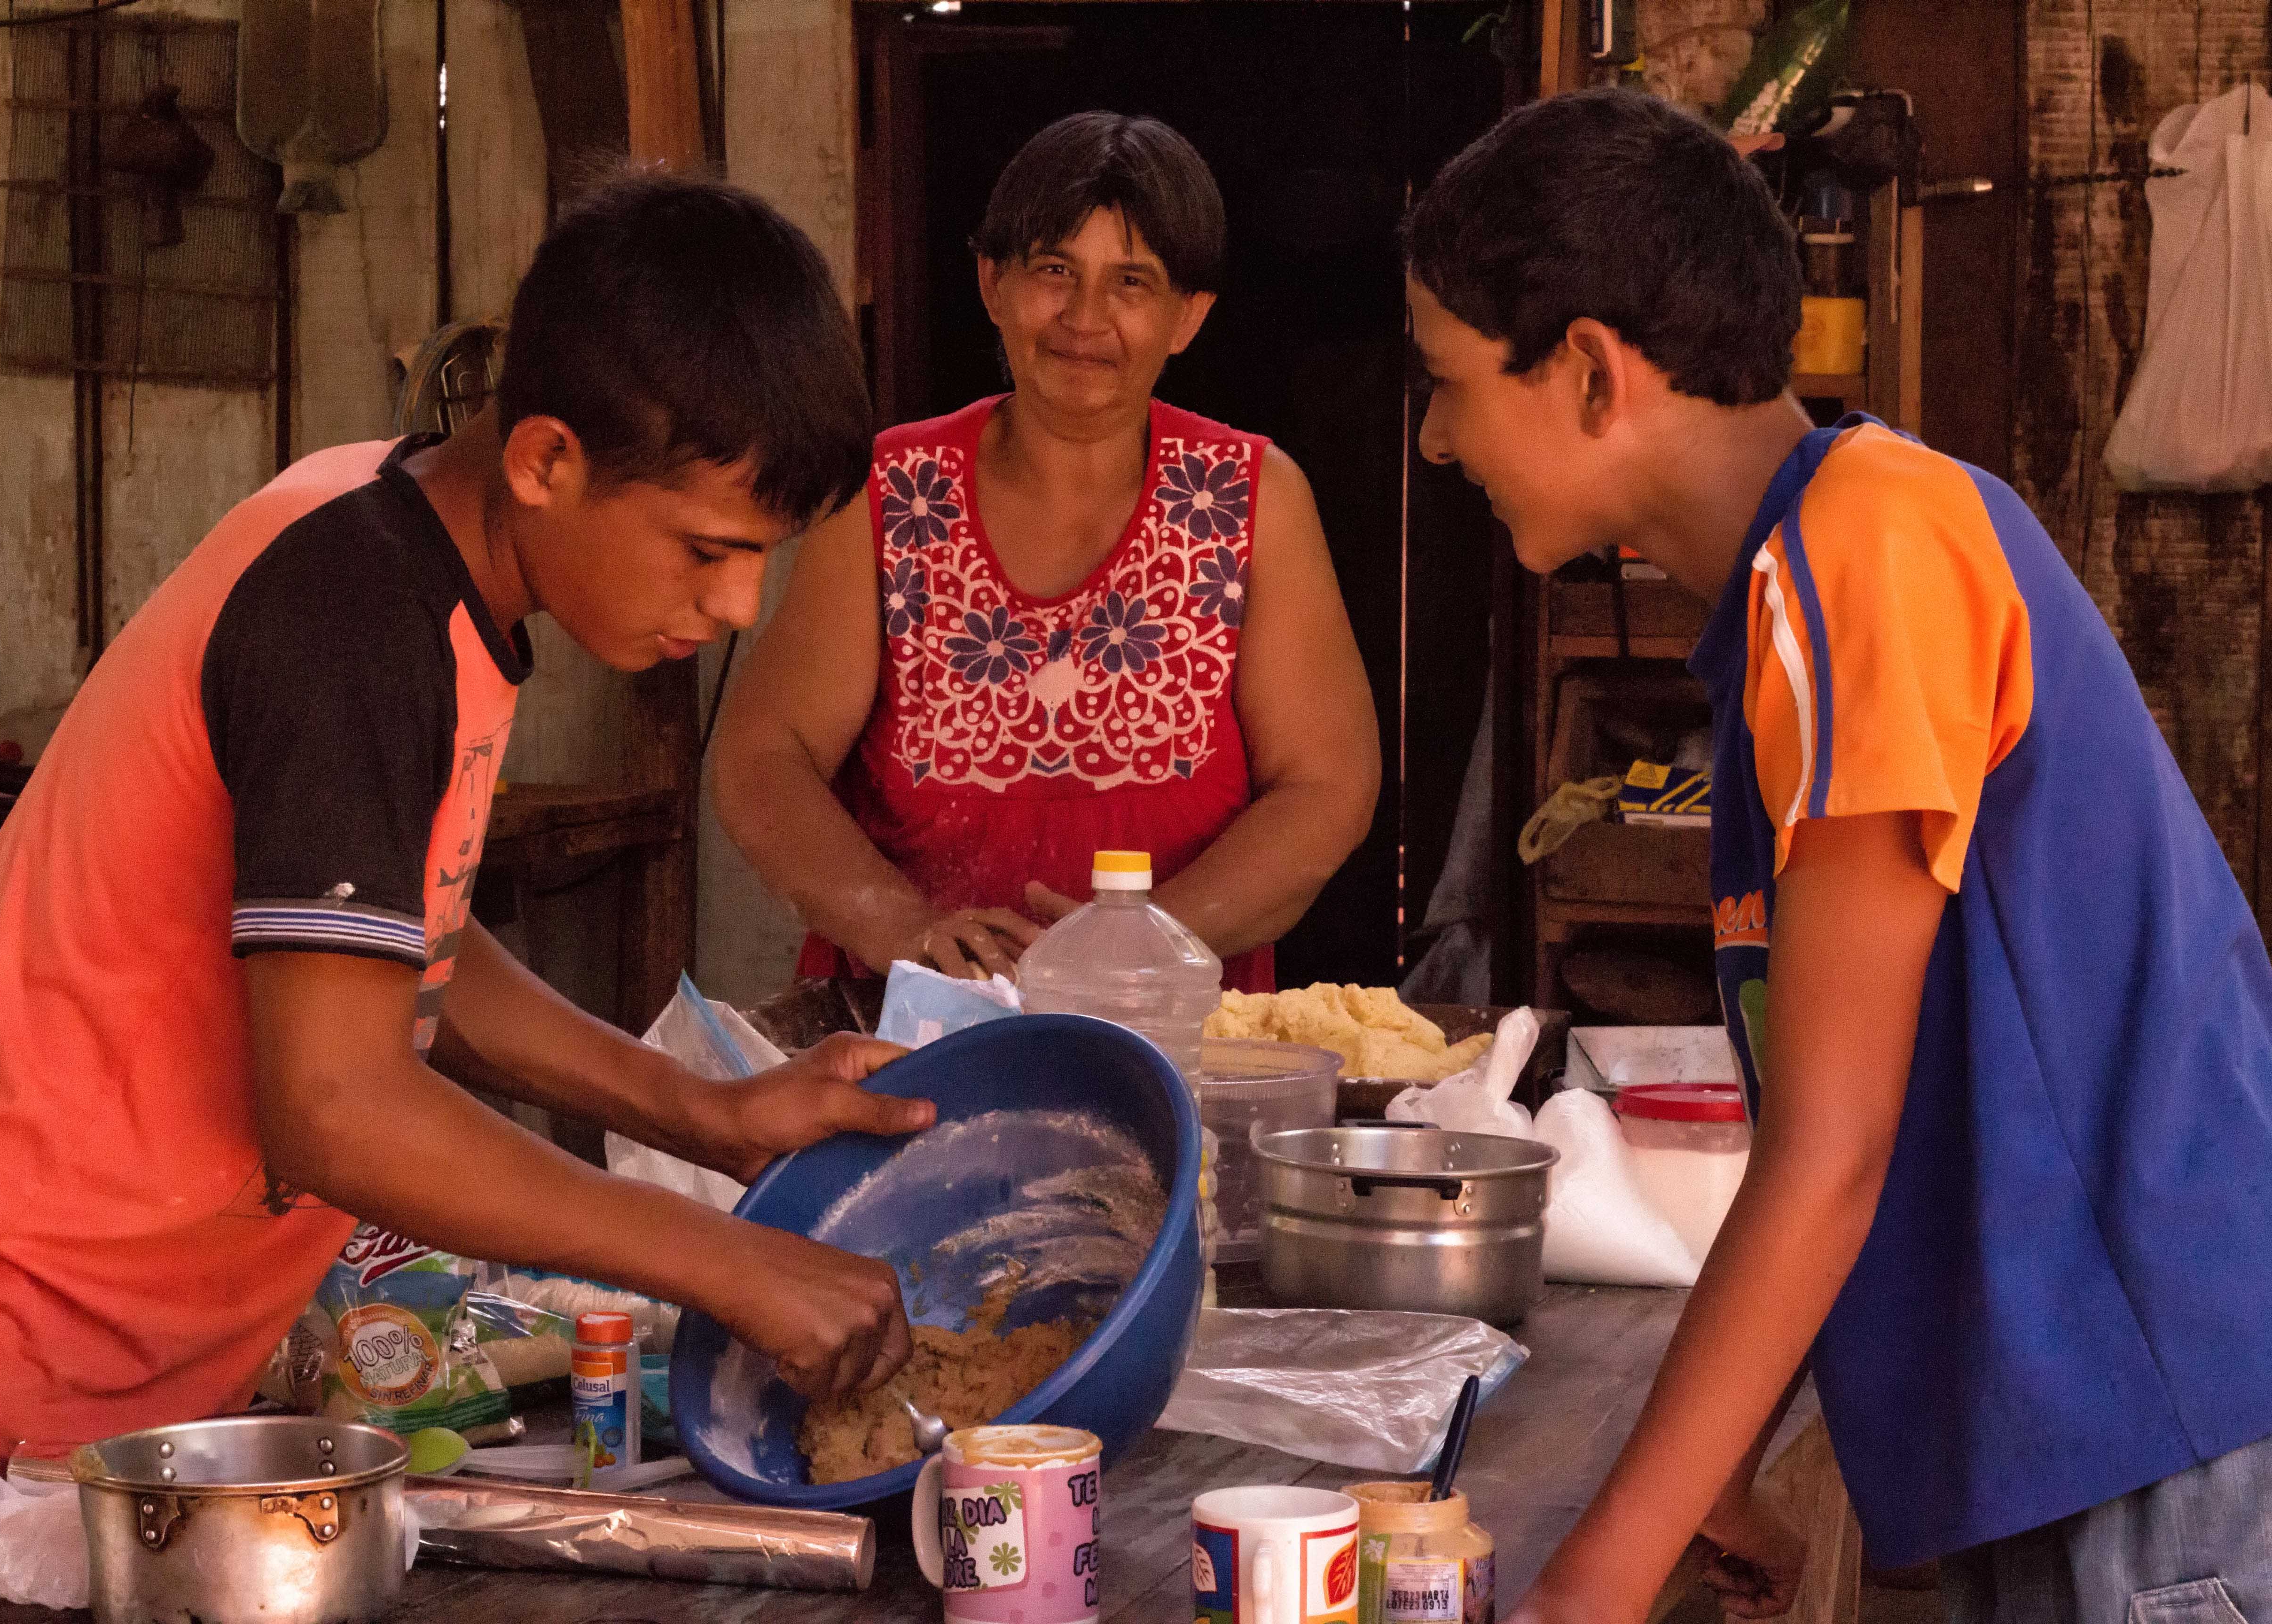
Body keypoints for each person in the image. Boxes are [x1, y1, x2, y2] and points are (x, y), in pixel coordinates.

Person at [1405, 88, 2272, 1624]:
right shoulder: (1779, 597)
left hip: (2159, 1427)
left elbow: (1829, 1149)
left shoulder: (1861, 546)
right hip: (2076, 1427)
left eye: (1448, 380)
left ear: (1590, 375)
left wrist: (1586, 1582)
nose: (1432, 433)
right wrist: (1716, 1464)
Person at [0, 173, 934, 1469]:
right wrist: (723, 1258)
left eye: (764, 555)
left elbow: (410, 943)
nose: (743, 606)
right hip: (10, 1362)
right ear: (545, 460)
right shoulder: (350, 618)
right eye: (706, 550)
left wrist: (703, 1111)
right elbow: (337, 1103)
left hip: (131, 1366)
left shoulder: (399, 537)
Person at [716, 112, 1381, 991]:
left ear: (1189, 318)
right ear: (992, 283)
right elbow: (764, 757)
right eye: (1054, 271)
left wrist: (1146, 947)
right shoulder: (886, 491)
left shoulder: (1254, 500)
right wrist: (906, 931)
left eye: (1132, 283)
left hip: (1173, 1045)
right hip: (914, 1034)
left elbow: (1328, 788)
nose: (1085, 318)